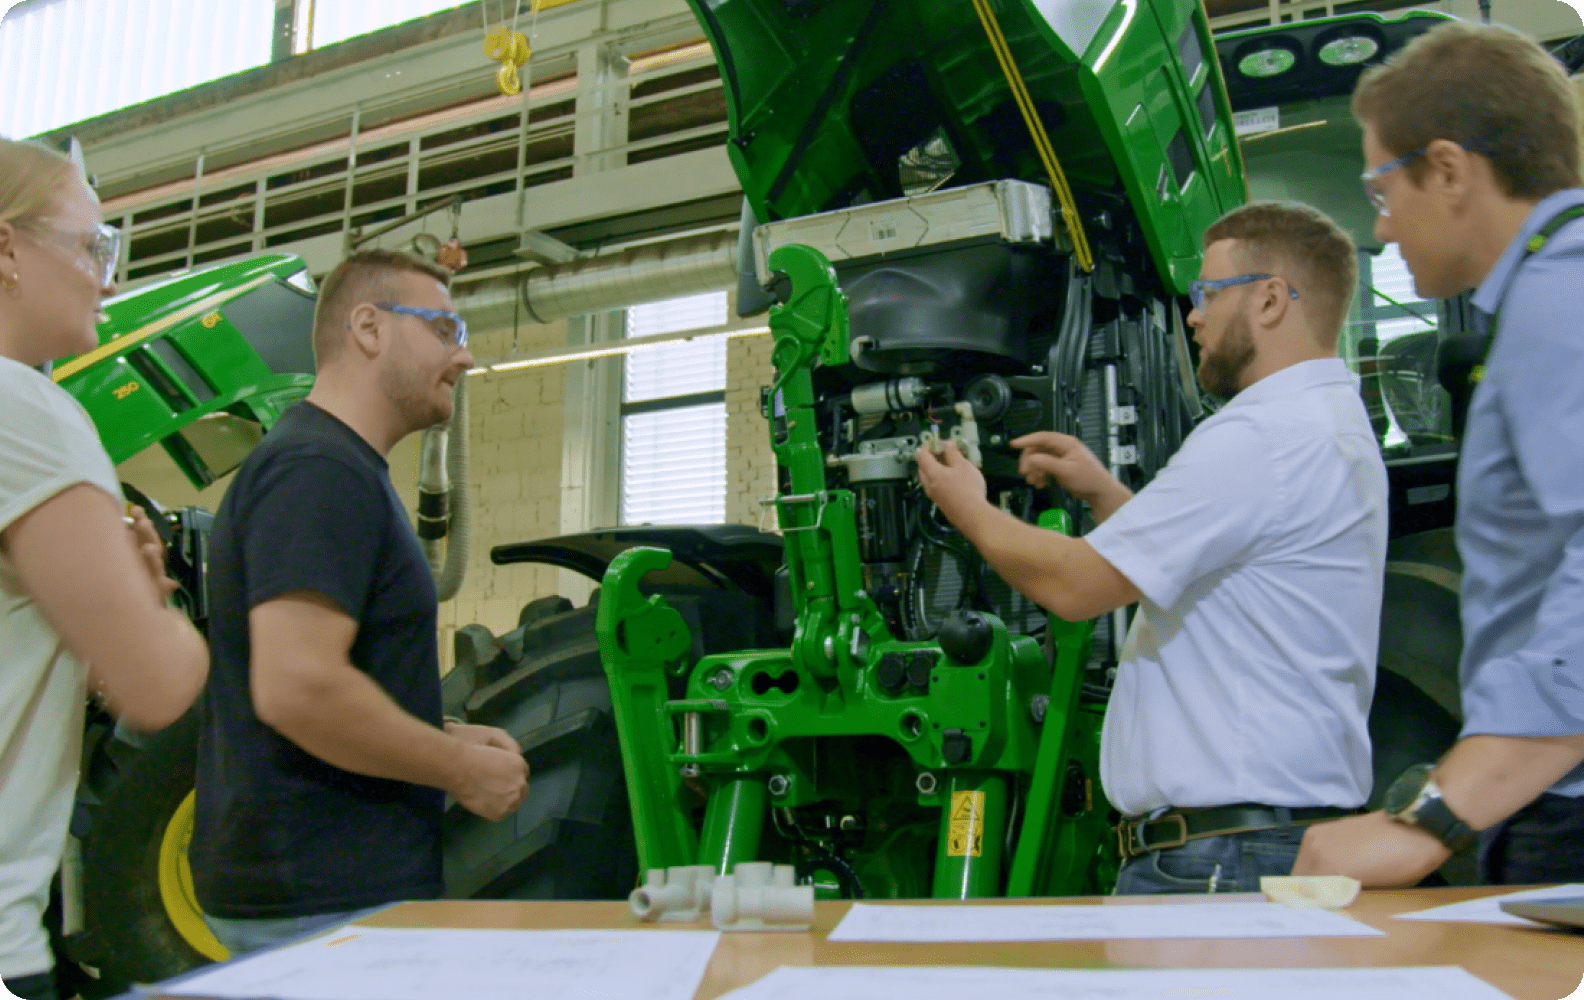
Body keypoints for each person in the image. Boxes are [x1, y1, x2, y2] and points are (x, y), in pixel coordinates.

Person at [917, 201, 1387, 894]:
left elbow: (1075, 588)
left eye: (1206, 293)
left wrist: (969, 509)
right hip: (1261, 843)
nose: (1193, 316)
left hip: (1218, 860)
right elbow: (1235, 575)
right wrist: (1107, 494)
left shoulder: (1260, 436)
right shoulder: (1326, 425)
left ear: (1267, 299)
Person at [1295, 21, 1584, 887]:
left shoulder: (1559, 301)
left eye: (1380, 190)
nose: (1380, 232)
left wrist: (1436, 816)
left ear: (1452, 170)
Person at [191, 249, 529, 955]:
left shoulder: (334, 467)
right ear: (369, 329)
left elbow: (323, 679)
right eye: (445, 329)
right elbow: (300, 690)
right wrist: (458, 770)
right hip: (317, 902)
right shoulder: (320, 471)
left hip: (325, 893)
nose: (463, 358)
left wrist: (438, 731)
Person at [0, 139, 209, 1000]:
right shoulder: (29, 411)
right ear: (7, 249)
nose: (108, 280)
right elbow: (158, 689)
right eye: (94, 246)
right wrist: (156, 613)